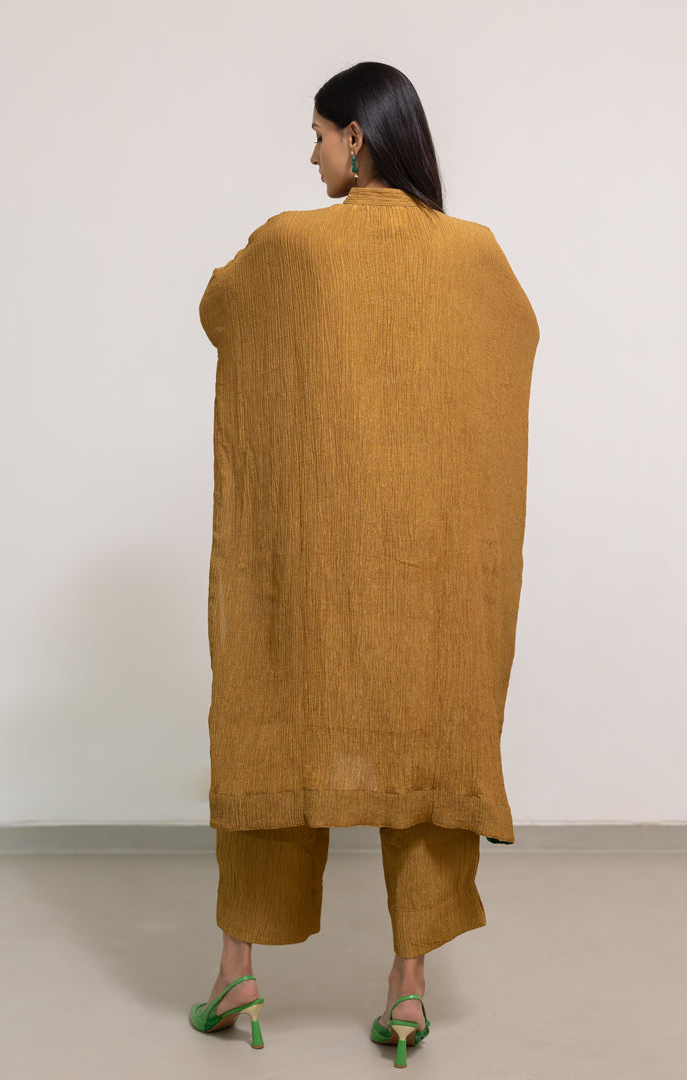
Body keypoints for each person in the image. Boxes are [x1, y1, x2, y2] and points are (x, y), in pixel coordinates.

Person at [189, 61, 540, 1068]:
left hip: (311, 565)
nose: (311, 156)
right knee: (427, 739)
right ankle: (409, 990)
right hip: (428, 569)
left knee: (271, 718)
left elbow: (219, 312)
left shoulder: (291, 243)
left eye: (319, 135)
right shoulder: (475, 254)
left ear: (357, 136)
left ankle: (238, 970)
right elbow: (516, 340)